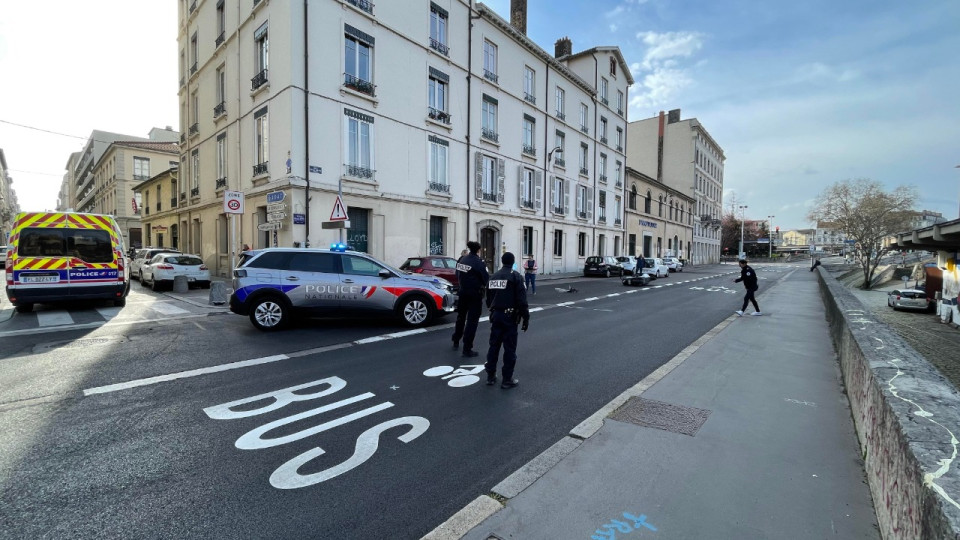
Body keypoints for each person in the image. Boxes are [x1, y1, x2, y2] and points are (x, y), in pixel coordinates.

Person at [485, 252, 529, 389]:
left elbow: (488, 299)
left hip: (496, 315)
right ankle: (507, 379)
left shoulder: (493, 277)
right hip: (510, 317)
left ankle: (490, 376)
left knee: (494, 346)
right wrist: (526, 318)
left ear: (502, 261)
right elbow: (522, 300)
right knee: (509, 348)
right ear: (513, 262)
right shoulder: (516, 276)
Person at [451, 241, 489, 357]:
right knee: (472, 321)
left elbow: (457, 274)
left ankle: (456, 339)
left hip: (462, 292)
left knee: (461, 317)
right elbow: (485, 278)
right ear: (478, 250)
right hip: (474, 294)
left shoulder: (462, 260)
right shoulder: (478, 262)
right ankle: (467, 348)